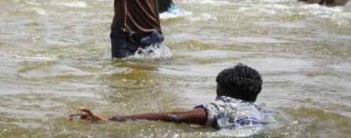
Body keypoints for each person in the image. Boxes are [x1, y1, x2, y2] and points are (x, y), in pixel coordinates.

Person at [71, 64, 269, 130]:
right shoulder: (261, 112)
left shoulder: (223, 107)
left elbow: (173, 117)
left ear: (220, 93)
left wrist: (110, 119)